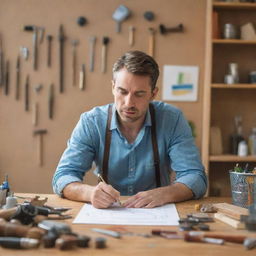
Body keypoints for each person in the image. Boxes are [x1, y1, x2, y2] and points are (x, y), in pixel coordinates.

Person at [52, 50, 207, 209]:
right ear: (113, 87)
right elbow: (63, 176)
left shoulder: (172, 120)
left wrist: (166, 193)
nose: (129, 103)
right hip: (110, 213)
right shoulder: (91, 122)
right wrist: (89, 193)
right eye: (122, 91)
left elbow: (195, 177)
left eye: (139, 94)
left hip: (156, 213)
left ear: (153, 94)